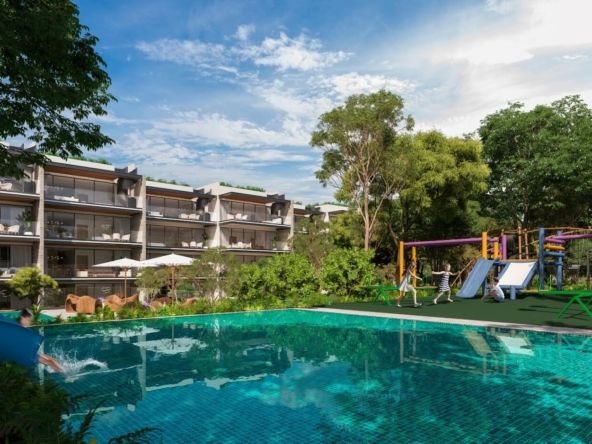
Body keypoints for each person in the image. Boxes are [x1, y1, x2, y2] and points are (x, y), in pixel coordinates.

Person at [17, 309, 65, 373]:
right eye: (29, 320)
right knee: (50, 361)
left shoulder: (23, 328)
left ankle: (61, 372)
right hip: (27, 354)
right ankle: (67, 375)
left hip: (31, 352)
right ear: (22, 318)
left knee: (52, 359)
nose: (30, 323)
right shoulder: (18, 329)